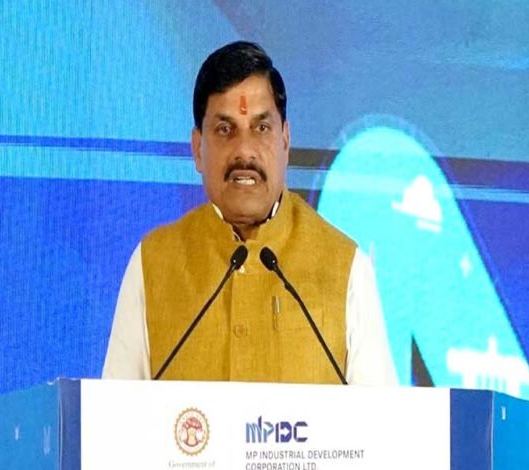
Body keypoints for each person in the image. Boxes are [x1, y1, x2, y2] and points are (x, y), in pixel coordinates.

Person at [102, 41, 396, 385]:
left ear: (285, 141)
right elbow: (113, 412)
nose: (244, 150)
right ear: (197, 149)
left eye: (261, 128)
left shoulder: (346, 267)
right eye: (225, 129)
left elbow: (381, 416)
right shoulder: (153, 263)